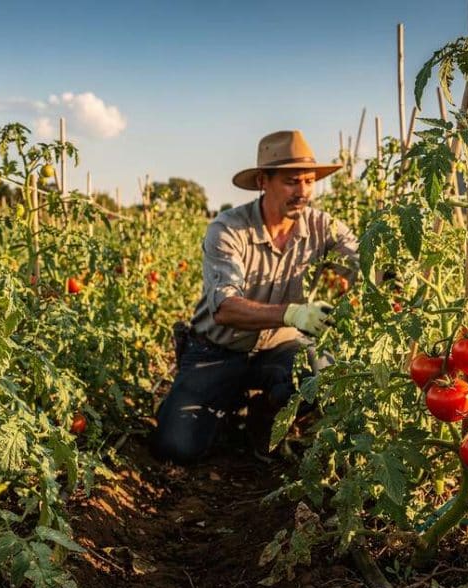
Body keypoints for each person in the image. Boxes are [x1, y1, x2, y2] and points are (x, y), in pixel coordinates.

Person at [151, 130, 359, 465]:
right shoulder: (228, 230)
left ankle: (266, 413)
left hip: (279, 349)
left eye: (309, 181)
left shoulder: (323, 226)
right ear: (264, 181)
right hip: (216, 350)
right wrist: (292, 314)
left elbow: (362, 261)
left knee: (321, 370)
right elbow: (225, 308)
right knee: (177, 448)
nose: (303, 191)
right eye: (292, 182)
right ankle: (220, 400)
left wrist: (392, 274)